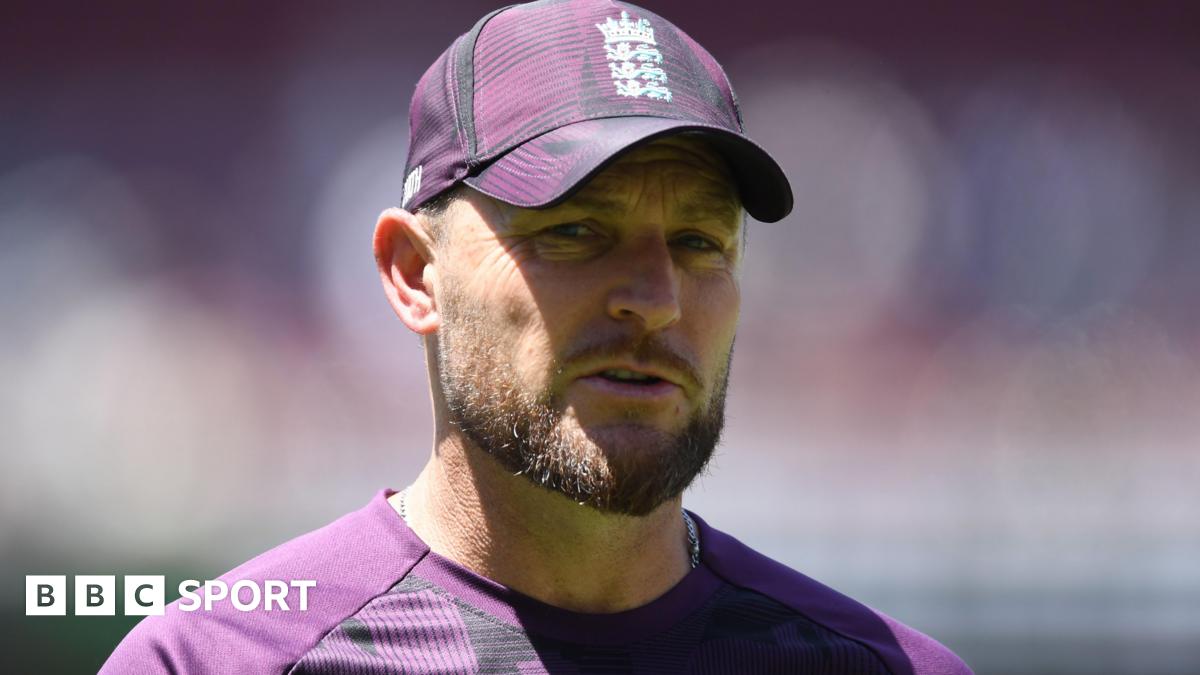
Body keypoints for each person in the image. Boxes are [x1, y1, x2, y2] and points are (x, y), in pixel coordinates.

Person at [104, 1, 972, 673]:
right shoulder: (216, 658)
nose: (655, 300)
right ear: (415, 273)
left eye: (698, 241)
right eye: (576, 232)